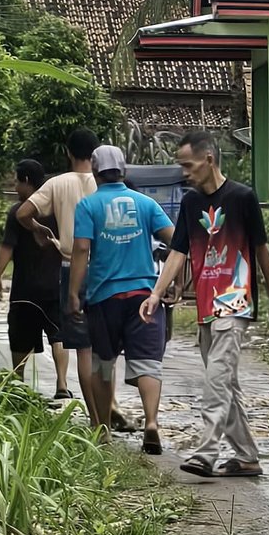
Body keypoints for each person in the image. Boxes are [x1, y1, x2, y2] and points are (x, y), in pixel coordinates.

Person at [141, 129, 269, 479]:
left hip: (235, 302)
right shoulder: (191, 203)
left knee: (216, 379)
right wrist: (156, 293)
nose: (184, 173)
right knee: (225, 382)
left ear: (208, 160)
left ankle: (206, 452)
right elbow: (178, 252)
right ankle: (247, 457)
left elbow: (262, 251)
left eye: (188, 166)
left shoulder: (242, 197)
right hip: (207, 305)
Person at [69, 145, 175, 454]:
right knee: (148, 363)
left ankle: (103, 430)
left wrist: (74, 293)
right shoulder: (146, 203)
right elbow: (175, 239)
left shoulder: (88, 205)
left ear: (95, 172)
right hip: (144, 295)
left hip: (104, 297)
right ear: (123, 171)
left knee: (103, 362)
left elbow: (81, 249)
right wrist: (174, 279)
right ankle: (151, 422)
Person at [18, 128, 119, 427]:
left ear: (68, 152)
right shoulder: (106, 184)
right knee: (106, 349)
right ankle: (110, 404)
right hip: (107, 269)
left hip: (71, 267)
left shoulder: (57, 183)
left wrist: (39, 229)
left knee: (84, 350)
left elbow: (23, 213)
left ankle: (96, 421)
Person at [0, 159, 68, 390]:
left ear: (26, 180)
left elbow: (7, 246)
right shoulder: (57, 210)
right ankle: (62, 384)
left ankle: (18, 382)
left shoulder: (20, 211)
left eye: (17, 182)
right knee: (58, 335)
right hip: (55, 285)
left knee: (21, 336)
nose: (15, 188)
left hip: (25, 288)